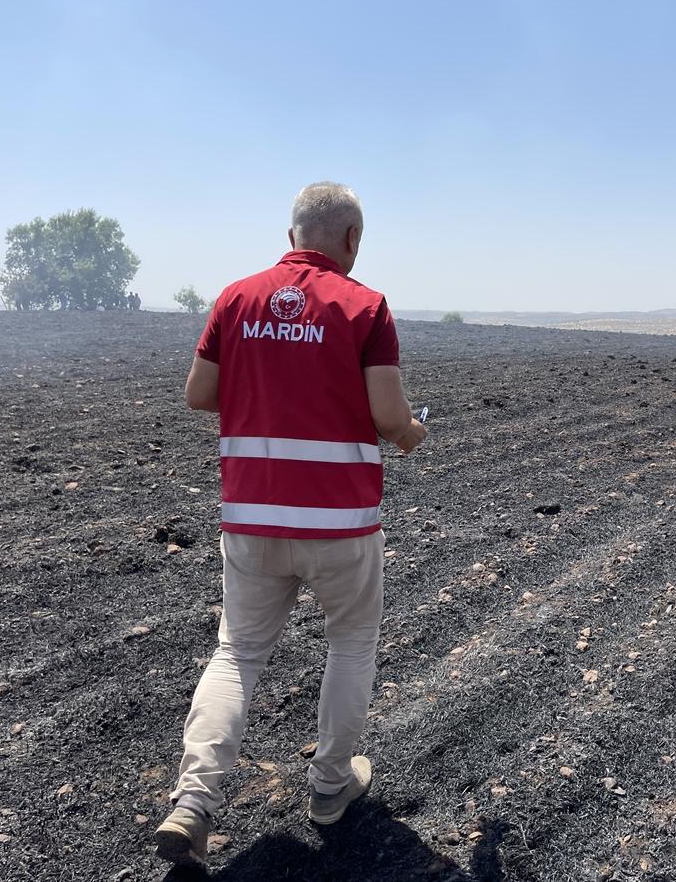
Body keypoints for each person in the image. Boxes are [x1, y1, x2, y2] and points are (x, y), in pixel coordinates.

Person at [155, 182, 427, 868]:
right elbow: (390, 417)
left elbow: (199, 394)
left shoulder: (236, 298)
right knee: (351, 644)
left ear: (291, 235)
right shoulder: (366, 306)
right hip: (341, 523)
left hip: (251, 517)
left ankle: (193, 801)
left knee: (237, 654)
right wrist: (414, 432)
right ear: (352, 241)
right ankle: (332, 788)